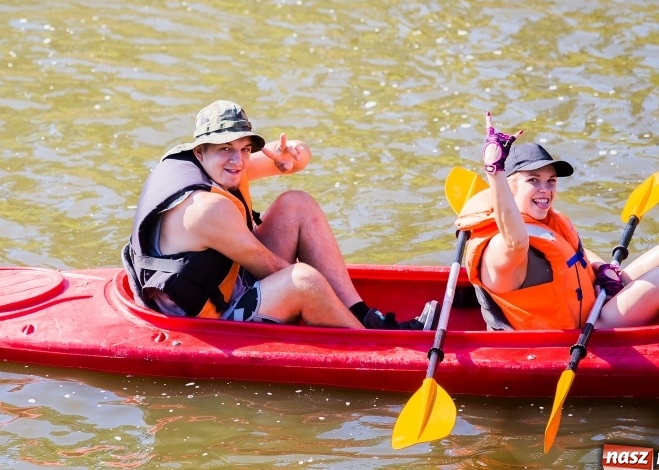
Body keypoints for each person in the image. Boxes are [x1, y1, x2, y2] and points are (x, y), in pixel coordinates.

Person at [122, 100, 434, 330]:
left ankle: (364, 314)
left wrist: (295, 154)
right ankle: (369, 342)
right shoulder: (206, 209)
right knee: (302, 281)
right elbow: (271, 268)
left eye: (245, 149)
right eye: (226, 148)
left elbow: (292, 161)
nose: (238, 160)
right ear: (199, 151)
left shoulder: (222, 166)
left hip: (226, 281)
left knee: (296, 203)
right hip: (204, 323)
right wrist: (313, 293)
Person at [455, 112, 659, 331]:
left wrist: (600, 269)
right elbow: (515, 239)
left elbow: (572, 254)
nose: (546, 189)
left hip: (592, 301)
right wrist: (495, 173)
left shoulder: (546, 221)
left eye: (551, 181)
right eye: (533, 181)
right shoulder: (500, 249)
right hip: (581, 330)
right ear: (510, 188)